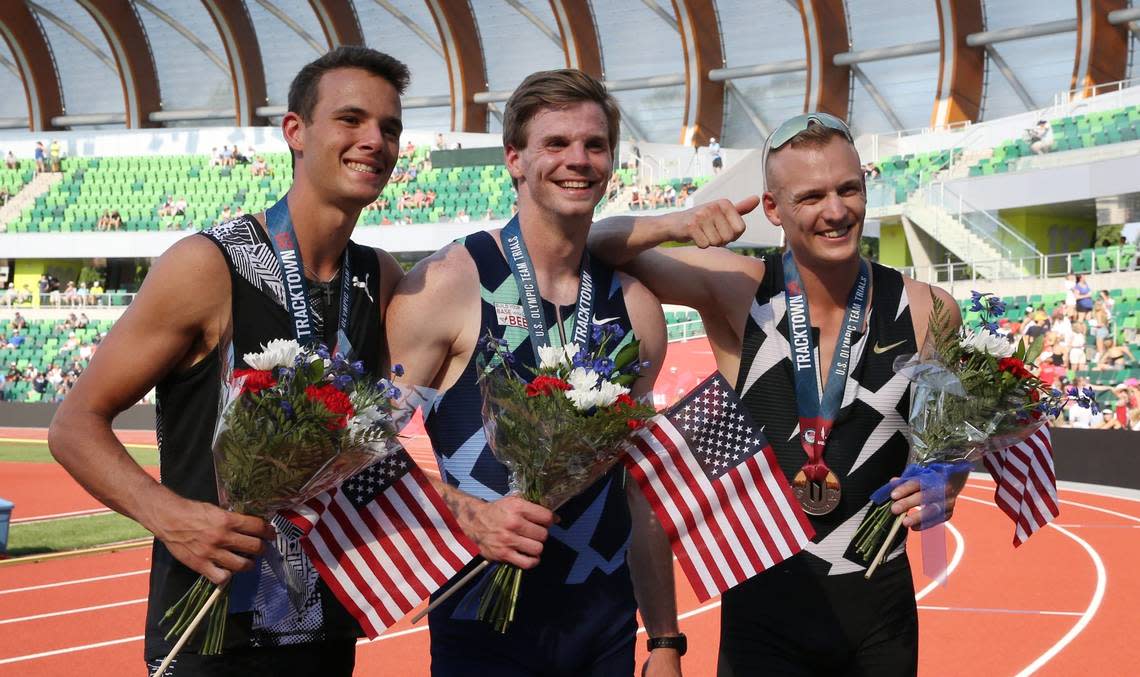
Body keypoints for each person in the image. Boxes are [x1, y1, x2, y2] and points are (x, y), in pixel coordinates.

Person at [48, 46, 410, 676]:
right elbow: (74, 425)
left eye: (390, 128)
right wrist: (170, 517)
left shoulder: (378, 276)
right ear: (295, 132)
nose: (374, 140)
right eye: (351, 120)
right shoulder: (206, 264)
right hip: (210, 627)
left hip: (324, 627)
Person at [589, 112, 967, 675]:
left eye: (848, 189)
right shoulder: (737, 290)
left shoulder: (928, 311)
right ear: (773, 208)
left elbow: (948, 448)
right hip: (762, 623)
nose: (835, 211)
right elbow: (594, 246)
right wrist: (680, 222)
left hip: (879, 617)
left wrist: (947, 481)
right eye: (810, 196)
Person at [386, 69, 682, 677]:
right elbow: (360, 451)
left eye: (594, 145)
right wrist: (466, 511)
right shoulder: (446, 285)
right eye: (556, 143)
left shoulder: (636, 307)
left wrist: (665, 640)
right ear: (515, 159)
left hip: (603, 626)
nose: (578, 159)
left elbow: (638, 485)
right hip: (483, 629)